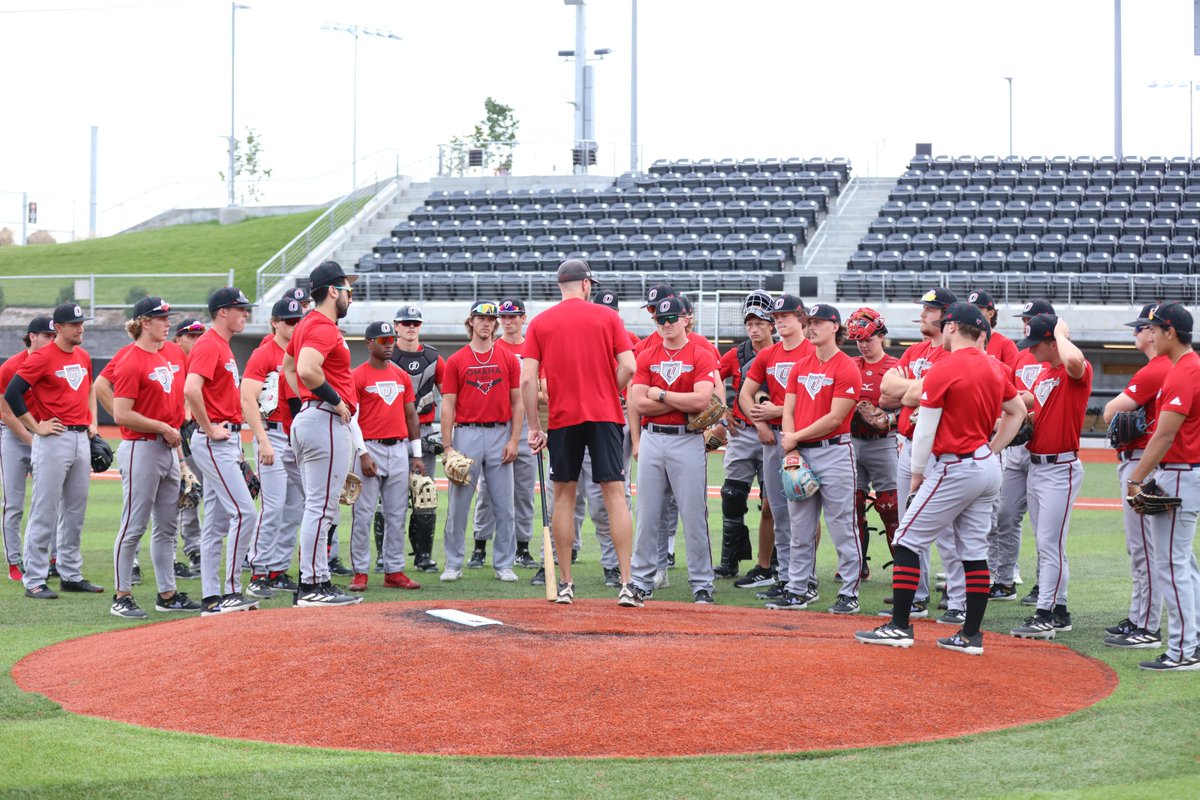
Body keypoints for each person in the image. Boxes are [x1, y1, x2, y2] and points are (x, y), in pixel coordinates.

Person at [856, 302, 1025, 653]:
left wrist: (917, 474)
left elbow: (927, 426)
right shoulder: (995, 366)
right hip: (984, 463)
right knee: (974, 550)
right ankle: (970, 635)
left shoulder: (943, 368)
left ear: (951, 328)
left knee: (905, 539)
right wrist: (992, 448)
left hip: (953, 464)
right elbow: (1018, 412)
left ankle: (900, 626)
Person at [521, 259, 638, 606]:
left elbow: (527, 379)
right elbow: (629, 366)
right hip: (604, 414)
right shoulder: (609, 317)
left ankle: (566, 583)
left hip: (563, 416)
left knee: (563, 497)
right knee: (614, 494)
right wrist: (607, 390)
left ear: (561, 285)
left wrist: (533, 427)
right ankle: (627, 583)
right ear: (587, 284)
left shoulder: (541, 323)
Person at [109, 297, 200, 618]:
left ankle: (167, 593)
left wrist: (179, 441)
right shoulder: (130, 360)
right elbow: (121, 413)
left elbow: (182, 397)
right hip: (141, 448)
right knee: (133, 525)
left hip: (169, 448)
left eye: (167, 317)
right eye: (161, 318)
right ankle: (121, 595)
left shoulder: (174, 353)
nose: (167, 322)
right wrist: (163, 425)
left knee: (167, 526)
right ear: (144, 322)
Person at [6, 302, 102, 599]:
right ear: (58, 328)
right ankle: (34, 579)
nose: (80, 327)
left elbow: (88, 390)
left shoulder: (84, 356)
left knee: (75, 510)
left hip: (79, 437)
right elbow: (13, 393)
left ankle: (70, 573)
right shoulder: (42, 357)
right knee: (44, 510)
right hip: (53, 439)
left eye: (82, 323)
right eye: (74, 324)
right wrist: (35, 427)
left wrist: (92, 425)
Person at [769, 303, 861, 613]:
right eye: (810, 322)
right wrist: (791, 446)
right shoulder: (800, 365)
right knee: (800, 527)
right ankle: (798, 588)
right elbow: (789, 411)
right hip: (802, 452)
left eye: (820, 322)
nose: (813, 327)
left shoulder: (846, 365)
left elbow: (836, 418)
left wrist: (794, 437)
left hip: (835, 450)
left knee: (841, 526)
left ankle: (849, 591)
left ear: (835, 326)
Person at [1123, 301, 1200, 671]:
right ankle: (1193, 644)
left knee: (1171, 565)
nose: (1149, 333)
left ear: (1171, 332)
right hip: (1183, 471)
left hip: (1180, 472)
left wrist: (1137, 478)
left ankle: (1183, 651)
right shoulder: (1188, 367)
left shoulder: (1184, 371)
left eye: (1155, 328)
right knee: (1185, 564)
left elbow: (1164, 435)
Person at [282, 261, 363, 607]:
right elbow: (304, 368)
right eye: (346, 288)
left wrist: (305, 400)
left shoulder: (305, 325)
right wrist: (334, 401)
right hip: (325, 419)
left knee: (318, 505)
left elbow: (288, 367)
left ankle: (314, 581)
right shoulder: (322, 326)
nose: (350, 294)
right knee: (322, 506)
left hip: (313, 416)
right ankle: (314, 583)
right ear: (332, 291)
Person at [628, 294, 719, 603]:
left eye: (671, 318)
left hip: (687, 438)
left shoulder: (700, 353)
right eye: (660, 320)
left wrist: (663, 395)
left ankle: (702, 584)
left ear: (685, 319)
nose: (665, 324)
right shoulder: (646, 354)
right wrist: (674, 401)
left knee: (694, 515)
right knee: (647, 514)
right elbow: (637, 402)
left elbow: (701, 401)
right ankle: (641, 580)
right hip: (653, 437)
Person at [1009, 313, 1092, 640]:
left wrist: (1060, 331)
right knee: (1050, 544)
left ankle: (1043, 614)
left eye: (1035, 343)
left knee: (1049, 544)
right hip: (1037, 465)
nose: (1030, 350)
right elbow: (1034, 406)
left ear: (1051, 341)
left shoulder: (1075, 370)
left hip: (1061, 468)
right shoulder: (1044, 371)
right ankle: (1059, 610)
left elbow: (1073, 358)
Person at [878, 287, 957, 619]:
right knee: (907, 521)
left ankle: (957, 597)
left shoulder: (953, 354)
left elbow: (920, 393)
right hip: (907, 445)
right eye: (923, 308)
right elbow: (885, 394)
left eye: (931, 309)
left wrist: (907, 389)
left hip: (940, 448)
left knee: (948, 529)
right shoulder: (913, 351)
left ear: (947, 315)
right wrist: (913, 389)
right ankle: (916, 596)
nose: (923, 314)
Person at [184, 287, 261, 616]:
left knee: (215, 525)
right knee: (246, 513)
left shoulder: (223, 347)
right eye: (239, 309)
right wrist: (208, 426)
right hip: (214, 438)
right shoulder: (209, 344)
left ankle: (211, 598)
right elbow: (190, 389)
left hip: (225, 438)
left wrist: (236, 442)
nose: (245, 314)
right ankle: (230, 591)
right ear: (222, 312)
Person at [1099, 304, 1170, 649]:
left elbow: (1111, 411)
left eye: (1140, 328)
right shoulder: (1158, 368)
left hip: (1143, 462)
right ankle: (1139, 616)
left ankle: (1148, 627)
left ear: (1154, 332)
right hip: (1142, 458)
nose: (1135, 333)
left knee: (1144, 549)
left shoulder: (1156, 370)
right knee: (1141, 548)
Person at [738, 294, 814, 602]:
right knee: (780, 511)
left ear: (801, 319)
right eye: (777, 317)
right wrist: (760, 424)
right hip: (774, 438)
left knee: (806, 511)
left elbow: (814, 403)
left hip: (806, 438)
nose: (780, 321)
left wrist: (775, 412)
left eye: (786, 316)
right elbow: (745, 394)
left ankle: (806, 579)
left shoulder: (812, 351)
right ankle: (786, 577)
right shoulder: (768, 354)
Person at [440, 302, 523, 583]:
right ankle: (453, 563)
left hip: (500, 431)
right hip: (467, 433)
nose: (486, 323)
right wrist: (448, 445)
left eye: (490, 319)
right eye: (480, 318)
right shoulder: (457, 360)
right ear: (471, 322)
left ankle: (504, 563)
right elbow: (448, 404)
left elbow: (517, 402)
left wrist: (514, 440)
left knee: (504, 506)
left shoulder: (508, 359)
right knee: (458, 506)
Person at [349, 321, 424, 591]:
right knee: (364, 513)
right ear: (369, 343)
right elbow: (352, 419)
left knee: (396, 514)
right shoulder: (357, 375)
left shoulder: (401, 375)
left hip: (399, 448)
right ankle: (360, 571)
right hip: (370, 447)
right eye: (382, 340)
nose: (389, 344)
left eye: (391, 339)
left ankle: (394, 570)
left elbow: (411, 415)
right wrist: (363, 452)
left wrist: (416, 455)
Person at [989, 297, 1055, 602]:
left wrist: (1020, 403)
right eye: (1024, 319)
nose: (1026, 324)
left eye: (1032, 319)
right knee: (1005, 515)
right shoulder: (1021, 355)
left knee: (1045, 527)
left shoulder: (1057, 358)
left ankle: (1044, 585)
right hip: (1017, 446)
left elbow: (1022, 398)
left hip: (1045, 447)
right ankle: (1003, 579)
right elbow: (1010, 395)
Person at [240, 297, 306, 599]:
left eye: (298, 321)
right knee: (274, 506)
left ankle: (278, 569)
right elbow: (248, 399)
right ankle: (259, 571)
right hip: (274, 434)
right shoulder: (264, 353)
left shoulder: (304, 352)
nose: (294, 326)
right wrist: (262, 440)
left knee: (295, 507)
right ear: (275, 323)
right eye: (288, 321)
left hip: (298, 436)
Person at [471, 297, 538, 570]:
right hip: (500, 425)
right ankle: (480, 545)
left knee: (524, 491)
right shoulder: (493, 348)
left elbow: (541, 387)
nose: (508, 321)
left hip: (525, 428)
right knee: (487, 490)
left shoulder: (532, 349)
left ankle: (522, 547)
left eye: (514, 316)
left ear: (523, 318)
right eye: (504, 317)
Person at [714, 291, 777, 582]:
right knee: (732, 495)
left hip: (775, 432)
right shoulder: (737, 353)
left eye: (759, 323)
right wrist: (721, 410)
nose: (753, 328)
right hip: (741, 430)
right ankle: (731, 558)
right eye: (749, 323)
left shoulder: (783, 351)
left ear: (771, 325)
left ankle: (773, 561)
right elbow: (711, 375)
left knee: (772, 500)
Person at [0, 316, 56, 582]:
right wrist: (33, 441)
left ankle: (54, 558)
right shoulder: (11, 367)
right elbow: (5, 413)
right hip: (14, 436)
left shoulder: (56, 363)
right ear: (32, 336)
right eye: (47, 335)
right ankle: (14, 562)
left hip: (46, 435)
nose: (52, 340)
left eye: (54, 336)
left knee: (50, 500)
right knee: (13, 503)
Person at [846, 306, 900, 582]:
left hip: (883, 441)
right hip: (852, 440)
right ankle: (857, 566)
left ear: (881, 336)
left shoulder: (895, 367)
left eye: (868, 339)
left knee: (891, 506)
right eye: (858, 341)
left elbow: (912, 404)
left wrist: (890, 419)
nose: (863, 345)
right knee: (852, 505)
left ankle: (902, 569)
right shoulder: (850, 365)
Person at [391, 304, 445, 574]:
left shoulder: (434, 357)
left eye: (415, 323)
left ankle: (423, 556)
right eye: (406, 323)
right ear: (396, 326)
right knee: (391, 498)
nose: (411, 327)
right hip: (393, 431)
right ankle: (388, 556)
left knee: (425, 494)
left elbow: (450, 395)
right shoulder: (386, 355)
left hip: (424, 431)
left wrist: (449, 434)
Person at [174, 318, 207, 574]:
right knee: (179, 496)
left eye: (199, 336)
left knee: (194, 492)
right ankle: (183, 552)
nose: (196, 341)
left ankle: (196, 550)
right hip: (174, 434)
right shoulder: (171, 361)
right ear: (178, 338)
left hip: (198, 433)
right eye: (190, 336)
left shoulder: (203, 360)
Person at [967, 290, 1019, 368]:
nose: (971, 314)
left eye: (977, 310)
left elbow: (1013, 376)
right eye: (969, 310)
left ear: (990, 313)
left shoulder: (1005, 344)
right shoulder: (962, 341)